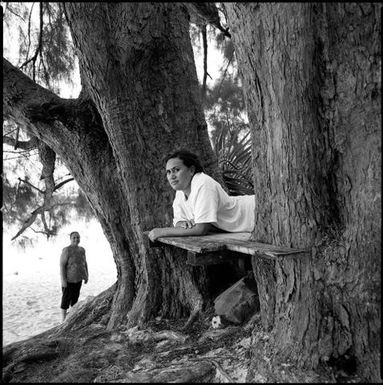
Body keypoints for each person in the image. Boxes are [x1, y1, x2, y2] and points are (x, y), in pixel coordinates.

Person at [148, 150, 255, 242]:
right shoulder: (181, 192)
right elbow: (178, 222)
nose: (172, 176)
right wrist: (183, 223)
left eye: (176, 170)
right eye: (168, 172)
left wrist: (162, 231)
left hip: (253, 212)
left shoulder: (203, 183)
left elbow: (201, 229)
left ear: (191, 170)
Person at [60, 231, 89, 322]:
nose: (76, 239)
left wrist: (86, 275)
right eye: (74, 237)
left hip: (78, 279)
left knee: (75, 300)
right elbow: (62, 266)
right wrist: (63, 280)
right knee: (65, 300)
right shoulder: (66, 250)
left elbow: (84, 263)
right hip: (68, 280)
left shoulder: (82, 250)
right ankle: (63, 319)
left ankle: (72, 317)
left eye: (78, 237)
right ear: (70, 239)